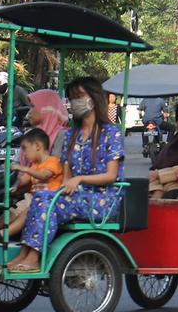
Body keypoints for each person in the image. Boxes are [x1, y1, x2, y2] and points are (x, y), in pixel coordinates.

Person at [10, 78, 125, 272]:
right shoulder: (71, 135)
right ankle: (24, 254)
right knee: (42, 196)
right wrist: (60, 187)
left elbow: (111, 176)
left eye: (79, 97)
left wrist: (79, 179)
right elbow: (66, 174)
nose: (75, 102)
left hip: (102, 199)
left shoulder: (111, 133)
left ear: (94, 99)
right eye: (72, 98)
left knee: (46, 201)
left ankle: (34, 257)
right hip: (76, 196)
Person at [1, 128, 65, 239]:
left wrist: (23, 168)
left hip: (47, 201)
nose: (24, 154)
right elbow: (23, 181)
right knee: (8, 213)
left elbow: (44, 175)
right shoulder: (34, 165)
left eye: (25, 149)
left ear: (37, 146)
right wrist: (9, 178)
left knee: (27, 211)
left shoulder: (53, 161)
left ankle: (3, 234)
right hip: (31, 199)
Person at [22, 89, 69, 164]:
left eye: (33, 106)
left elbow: (54, 165)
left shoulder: (62, 135)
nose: (29, 113)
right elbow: (16, 161)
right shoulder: (31, 133)